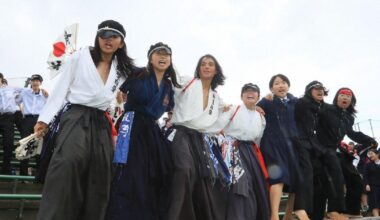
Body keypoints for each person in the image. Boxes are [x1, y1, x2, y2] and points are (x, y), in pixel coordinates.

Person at [33, 20, 134, 220]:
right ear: (97, 39)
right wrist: (44, 119)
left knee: (101, 171)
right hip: (75, 116)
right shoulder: (80, 57)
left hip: (101, 121)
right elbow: (61, 89)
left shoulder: (122, 69)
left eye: (113, 37)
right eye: (104, 36)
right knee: (68, 162)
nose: (108, 40)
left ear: (121, 43)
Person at [106, 42, 180, 220]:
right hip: (132, 124)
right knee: (131, 170)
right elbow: (119, 91)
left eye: (166, 55)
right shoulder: (138, 73)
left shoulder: (169, 86)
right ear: (150, 58)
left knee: (161, 169)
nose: (162, 57)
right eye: (158, 54)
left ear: (170, 60)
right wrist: (119, 102)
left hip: (152, 129)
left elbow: (172, 110)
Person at [167, 54, 227, 220]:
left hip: (201, 140)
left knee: (204, 179)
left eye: (210, 64)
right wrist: (167, 57)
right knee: (184, 170)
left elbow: (232, 111)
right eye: (203, 64)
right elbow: (172, 76)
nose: (206, 67)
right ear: (199, 69)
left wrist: (257, 107)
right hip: (181, 134)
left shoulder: (216, 98)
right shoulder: (188, 82)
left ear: (216, 71)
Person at [315, 87, 378, 220]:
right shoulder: (325, 109)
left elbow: (351, 134)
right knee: (335, 178)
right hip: (321, 149)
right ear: (336, 97)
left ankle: (352, 210)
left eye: (348, 96)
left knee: (355, 178)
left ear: (352, 101)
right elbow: (308, 108)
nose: (345, 98)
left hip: (336, 150)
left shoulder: (349, 117)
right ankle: (333, 210)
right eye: (342, 95)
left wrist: (369, 140)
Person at [218, 83, 270, 220]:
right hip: (233, 150)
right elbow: (217, 126)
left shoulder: (261, 117)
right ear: (241, 96)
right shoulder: (233, 109)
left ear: (258, 96)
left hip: (251, 152)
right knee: (239, 185)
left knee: (256, 185)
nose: (250, 93)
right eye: (246, 91)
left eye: (254, 91)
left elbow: (258, 138)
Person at [256, 74, 301, 220]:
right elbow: (251, 107)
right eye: (276, 83)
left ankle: (288, 215)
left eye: (283, 83)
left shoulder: (296, 102)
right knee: (278, 178)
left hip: (292, 145)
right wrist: (258, 105)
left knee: (295, 181)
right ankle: (274, 216)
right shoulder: (266, 101)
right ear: (271, 88)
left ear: (288, 86)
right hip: (272, 144)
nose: (281, 85)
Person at [293, 80, 328, 219]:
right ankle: (300, 208)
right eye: (316, 88)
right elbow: (288, 99)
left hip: (316, 146)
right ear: (309, 91)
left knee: (323, 177)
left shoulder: (323, 107)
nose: (320, 91)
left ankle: (317, 213)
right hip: (301, 142)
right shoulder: (301, 102)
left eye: (322, 89)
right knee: (306, 172)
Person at [17, 74, 48, 175]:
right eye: (33, 80)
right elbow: (16, 101)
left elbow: (50, 106)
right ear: (31, 82)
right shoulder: (25, 92)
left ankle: (39, 175)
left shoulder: (44, 94)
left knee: (39, 146)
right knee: (25, 145)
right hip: (27, 120)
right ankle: (23, 174)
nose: (35, 82)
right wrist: (20, 109)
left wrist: (48, 96)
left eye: (37, 80)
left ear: (40, 82)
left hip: (39, 121)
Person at [0, 73, 21, 174]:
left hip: (7, 117)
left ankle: (5, 170)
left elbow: (26, 91)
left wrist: (41, 90)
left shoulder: (10, 88)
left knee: (8, 143)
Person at [364, 149, 380, 217]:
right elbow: (365, 176)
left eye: (371, 153)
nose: (370, 155)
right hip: (372, 187)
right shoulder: (368, 165)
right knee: (374, 204)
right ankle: (376, 218)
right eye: (369, 154)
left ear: (377, 154)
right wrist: (367, 184)